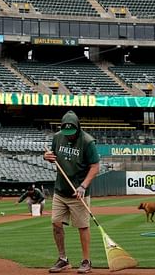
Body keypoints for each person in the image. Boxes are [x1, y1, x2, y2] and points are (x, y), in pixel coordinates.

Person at [43, 110, 100, 274]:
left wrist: (83, 186)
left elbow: (95, 167)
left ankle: (86, 261)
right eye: (66, 132)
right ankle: (63, 259)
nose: (69, 136)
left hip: (78, 192)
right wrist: (46, 156)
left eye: (72, 132)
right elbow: (51, 155)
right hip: (61, 190)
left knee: (82, 226)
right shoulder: (57, 137)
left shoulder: (88, 142)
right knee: (56, 223)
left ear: (78, 127)